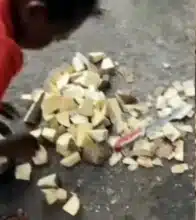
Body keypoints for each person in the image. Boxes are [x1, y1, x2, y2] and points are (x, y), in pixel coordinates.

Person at [0, 0, 102, 219]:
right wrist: (7, 148)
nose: (52, 43)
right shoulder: (3, 52)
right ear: (35, 13)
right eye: (56, 37)